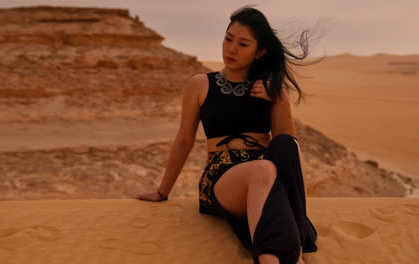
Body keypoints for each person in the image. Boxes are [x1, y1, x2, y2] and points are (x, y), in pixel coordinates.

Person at [133, 5, 319, 264]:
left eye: (243, 44)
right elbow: (184, 140)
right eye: (228, 38)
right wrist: (162, 191)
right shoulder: (200, 85)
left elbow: (287, 150)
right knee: (263, 170)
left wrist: (278, 97)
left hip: (266, 175)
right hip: (221, 179)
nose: (231, 49)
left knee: (280, 154)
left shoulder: (271, 89)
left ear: (260, 52)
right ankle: (293, 252)